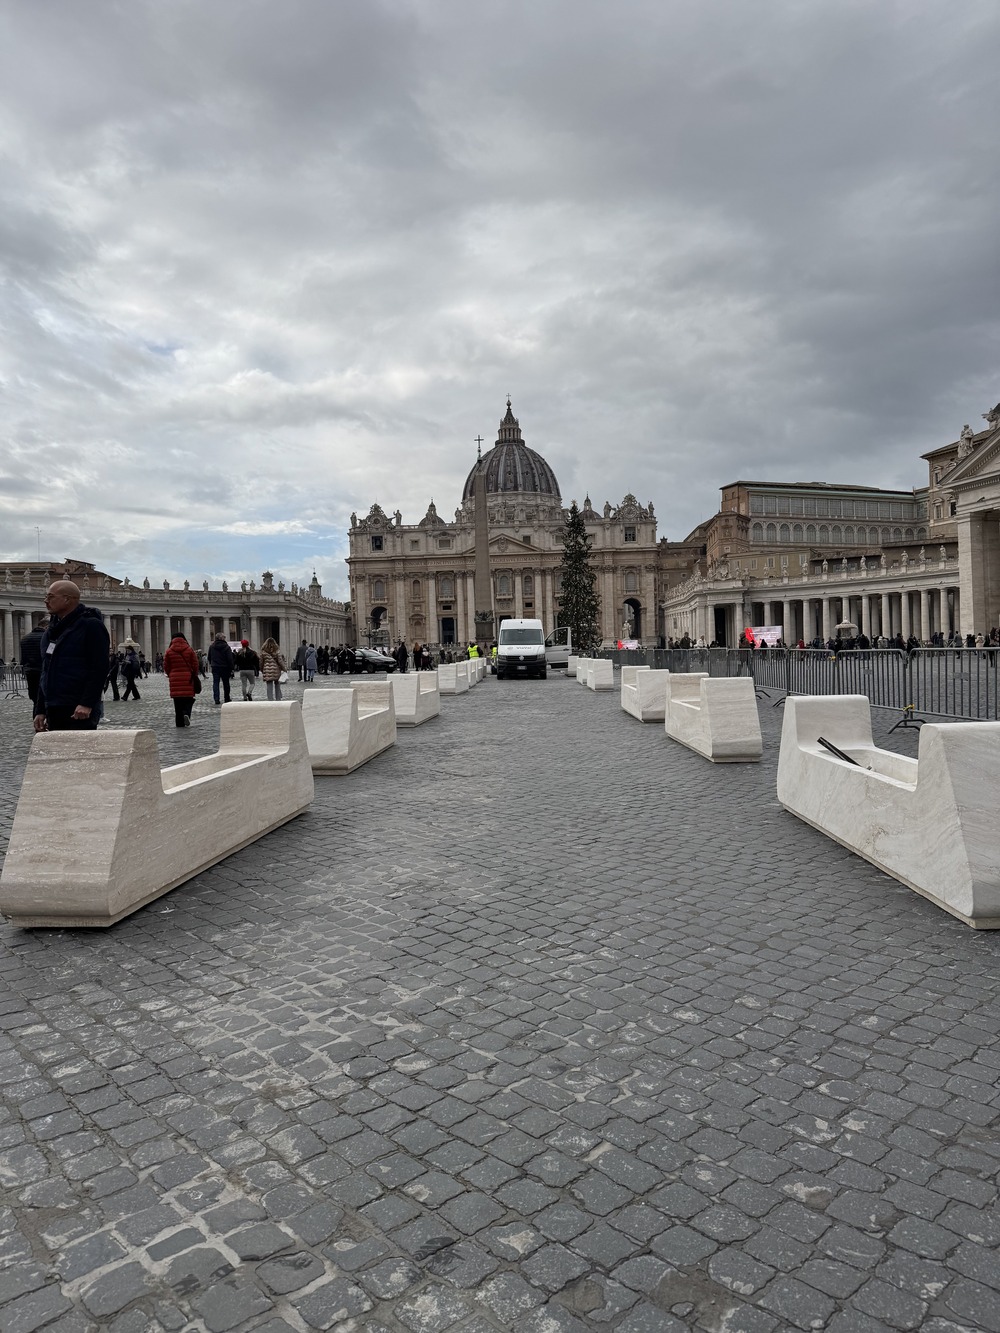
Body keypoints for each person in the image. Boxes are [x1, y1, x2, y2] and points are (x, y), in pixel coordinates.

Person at [33, 580, 111, 732]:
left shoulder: (91, 626)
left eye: (50, 597)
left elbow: (99, 667)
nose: (45, 601)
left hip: (79, 708)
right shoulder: (51, 631)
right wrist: (40, 709)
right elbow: (45, 671)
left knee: (81, 753)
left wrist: (87, 703)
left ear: (67, 599)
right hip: (54, 706)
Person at [163, 632, 200, 727]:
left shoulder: (169, 651)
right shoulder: (189, 649)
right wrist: (194, 674)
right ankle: (186, 713)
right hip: (188, 678)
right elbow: (195, 664)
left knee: (177, 702)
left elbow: (166, 666)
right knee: (188, 699)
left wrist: (169, 674)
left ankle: (179, 723)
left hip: (175, 678)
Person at [19, 616, 48, 705]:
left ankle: (36, 716)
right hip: (43, 670)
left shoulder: (25, 638)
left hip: (30, 671)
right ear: (46, 627)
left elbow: (23, 657)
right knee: (44, 697)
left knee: (35, 698)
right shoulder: (46, 637)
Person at [208, 632, 234, 705]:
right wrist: (231, 668)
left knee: (215, 683)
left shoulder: (212, 646)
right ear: (222, 638)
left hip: (215, 667)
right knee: (226, 683)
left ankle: (216, 699)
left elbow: (209, 657)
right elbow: (229, 658)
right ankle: (227, 698)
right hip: (225, 667)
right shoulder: (226, 647)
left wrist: (212, 663)